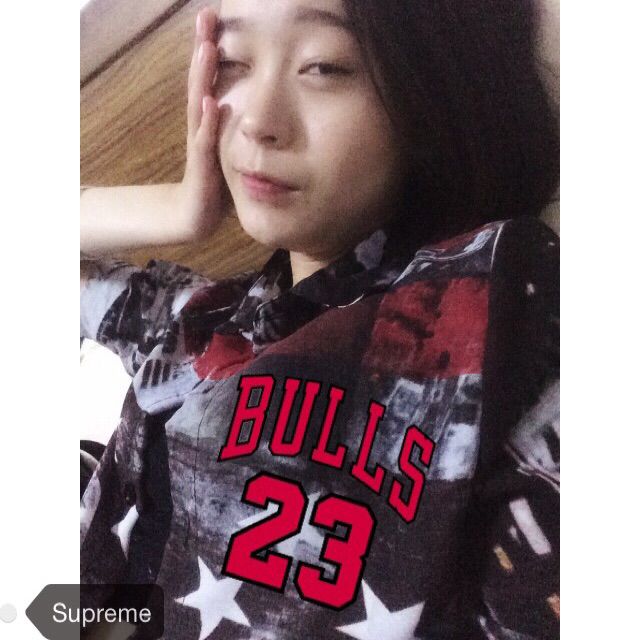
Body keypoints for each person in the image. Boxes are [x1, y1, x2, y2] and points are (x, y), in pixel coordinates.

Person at [80, 1, 560, 638]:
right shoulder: (197, 323)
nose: (259, 121)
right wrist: (180, 209)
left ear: (434, 86)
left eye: (325, 66)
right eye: (232, 61)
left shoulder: (502, 320)